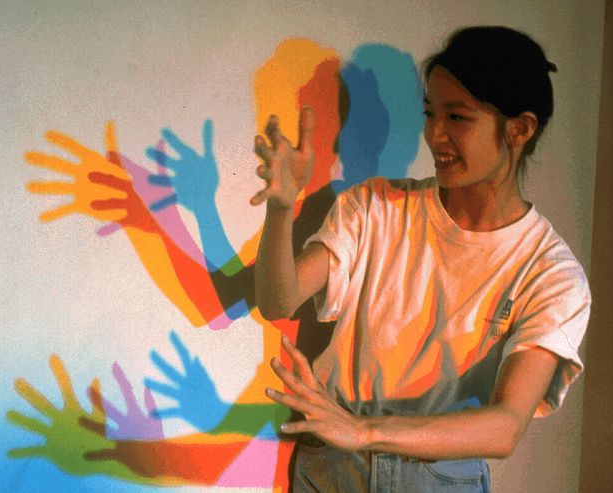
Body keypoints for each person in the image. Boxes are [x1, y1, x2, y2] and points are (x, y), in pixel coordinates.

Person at [251, 26, 591, 492]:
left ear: (519, 129)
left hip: (441, 479)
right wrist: (282, 208)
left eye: (458, 117)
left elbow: (506, 425)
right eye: (430, 113)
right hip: (334, 469)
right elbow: (278, 300)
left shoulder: (551, 272)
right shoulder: (373, 207)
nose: (435, 134)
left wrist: (366, 432)